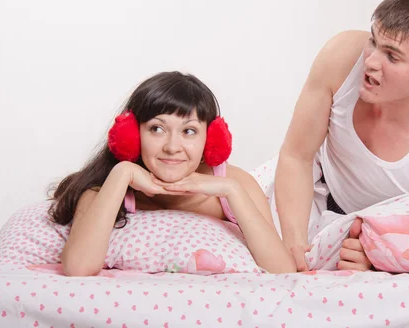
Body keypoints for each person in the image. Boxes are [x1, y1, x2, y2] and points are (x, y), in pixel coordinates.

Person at [275, 0, 409, 272]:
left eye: (392, 57)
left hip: (384, 242)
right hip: (310, 195)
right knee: (224, 198)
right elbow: (296, 156)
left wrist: (379, 260)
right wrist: (294, 243)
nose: (370, 62)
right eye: (373, 41)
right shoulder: (342, 56)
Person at [49, 71, 295, 276]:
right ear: (131, 135)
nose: (172, 147)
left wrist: (230, 189)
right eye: (157, 129)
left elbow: (282, 271)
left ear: (210, 140)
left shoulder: (235, 184)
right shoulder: (105, 188)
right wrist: (121, 173)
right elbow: (78, 268)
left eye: (189, 131)